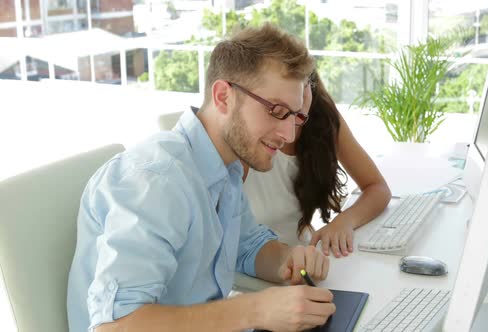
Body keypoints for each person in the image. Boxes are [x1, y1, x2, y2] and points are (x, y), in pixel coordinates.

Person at [67, 24, 336, 332]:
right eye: (276, 111)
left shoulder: (227, 169)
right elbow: (114, 326)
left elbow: (248, 247)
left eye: (296, 117)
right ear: (223, 97)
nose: (288, 134)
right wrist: (254, 310)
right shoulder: (156, 182)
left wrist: (289, 259)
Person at [243, 71, 391, 258]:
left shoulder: (321, 115)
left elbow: (377, 188)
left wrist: (344, 222)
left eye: (304, 85)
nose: (289, 133)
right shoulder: (244, 135)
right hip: (258, 269)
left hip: (306, 258)